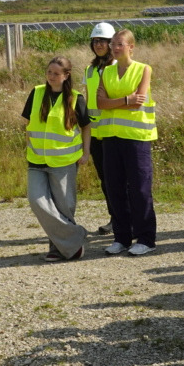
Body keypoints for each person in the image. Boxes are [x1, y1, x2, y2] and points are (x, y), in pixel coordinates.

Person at [23, 56, 90, 262]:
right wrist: (28, 145)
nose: (51, 77)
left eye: (56, 73)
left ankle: (58, 248)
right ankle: (76, 237)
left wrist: (86, 153)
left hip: (64, 161)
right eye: (49, 72)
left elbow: (86, 127)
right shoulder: (36, 92)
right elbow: (27, 122)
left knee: (64, 207)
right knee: (37, 201)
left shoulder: (75, 98)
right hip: (36, 160)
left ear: (66, 75)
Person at [96, 28, 157, 255]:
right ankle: (122, 238)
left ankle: (146, 238)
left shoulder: (143, 69)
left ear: (131, 47)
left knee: (140, 189)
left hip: (136, 139)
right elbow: (100, 102)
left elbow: (138, 102)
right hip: (111, 138)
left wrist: (117, 101)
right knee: (115, 188)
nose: (114, 47)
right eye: (113, 44)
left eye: (120, 44)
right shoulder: (106, 71)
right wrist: (124, 99)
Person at [84, 23, 119, 237]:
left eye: (102, 41)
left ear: (111, 43)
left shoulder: (116, 67)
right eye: (95, 41)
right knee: (105, 179)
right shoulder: (90, 69)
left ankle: (125, 219)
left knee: (117, 179)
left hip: (113, 131)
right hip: (95, 134)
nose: (98, 45)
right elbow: (88, 100)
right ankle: (115, 218)